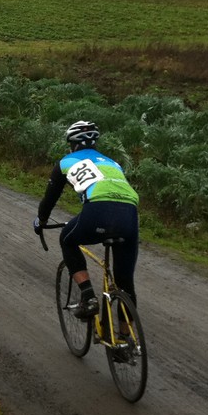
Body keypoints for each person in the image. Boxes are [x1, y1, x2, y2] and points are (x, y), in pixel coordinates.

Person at [33, 121, 140, 319]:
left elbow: (50, 199)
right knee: (125, 283)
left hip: (98, 209)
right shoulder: (113, 163)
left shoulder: (65, 162)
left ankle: (89, 298)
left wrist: (41, 220)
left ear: (72, 144)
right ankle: (127, 336)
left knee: (67, 239)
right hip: (130, 214)